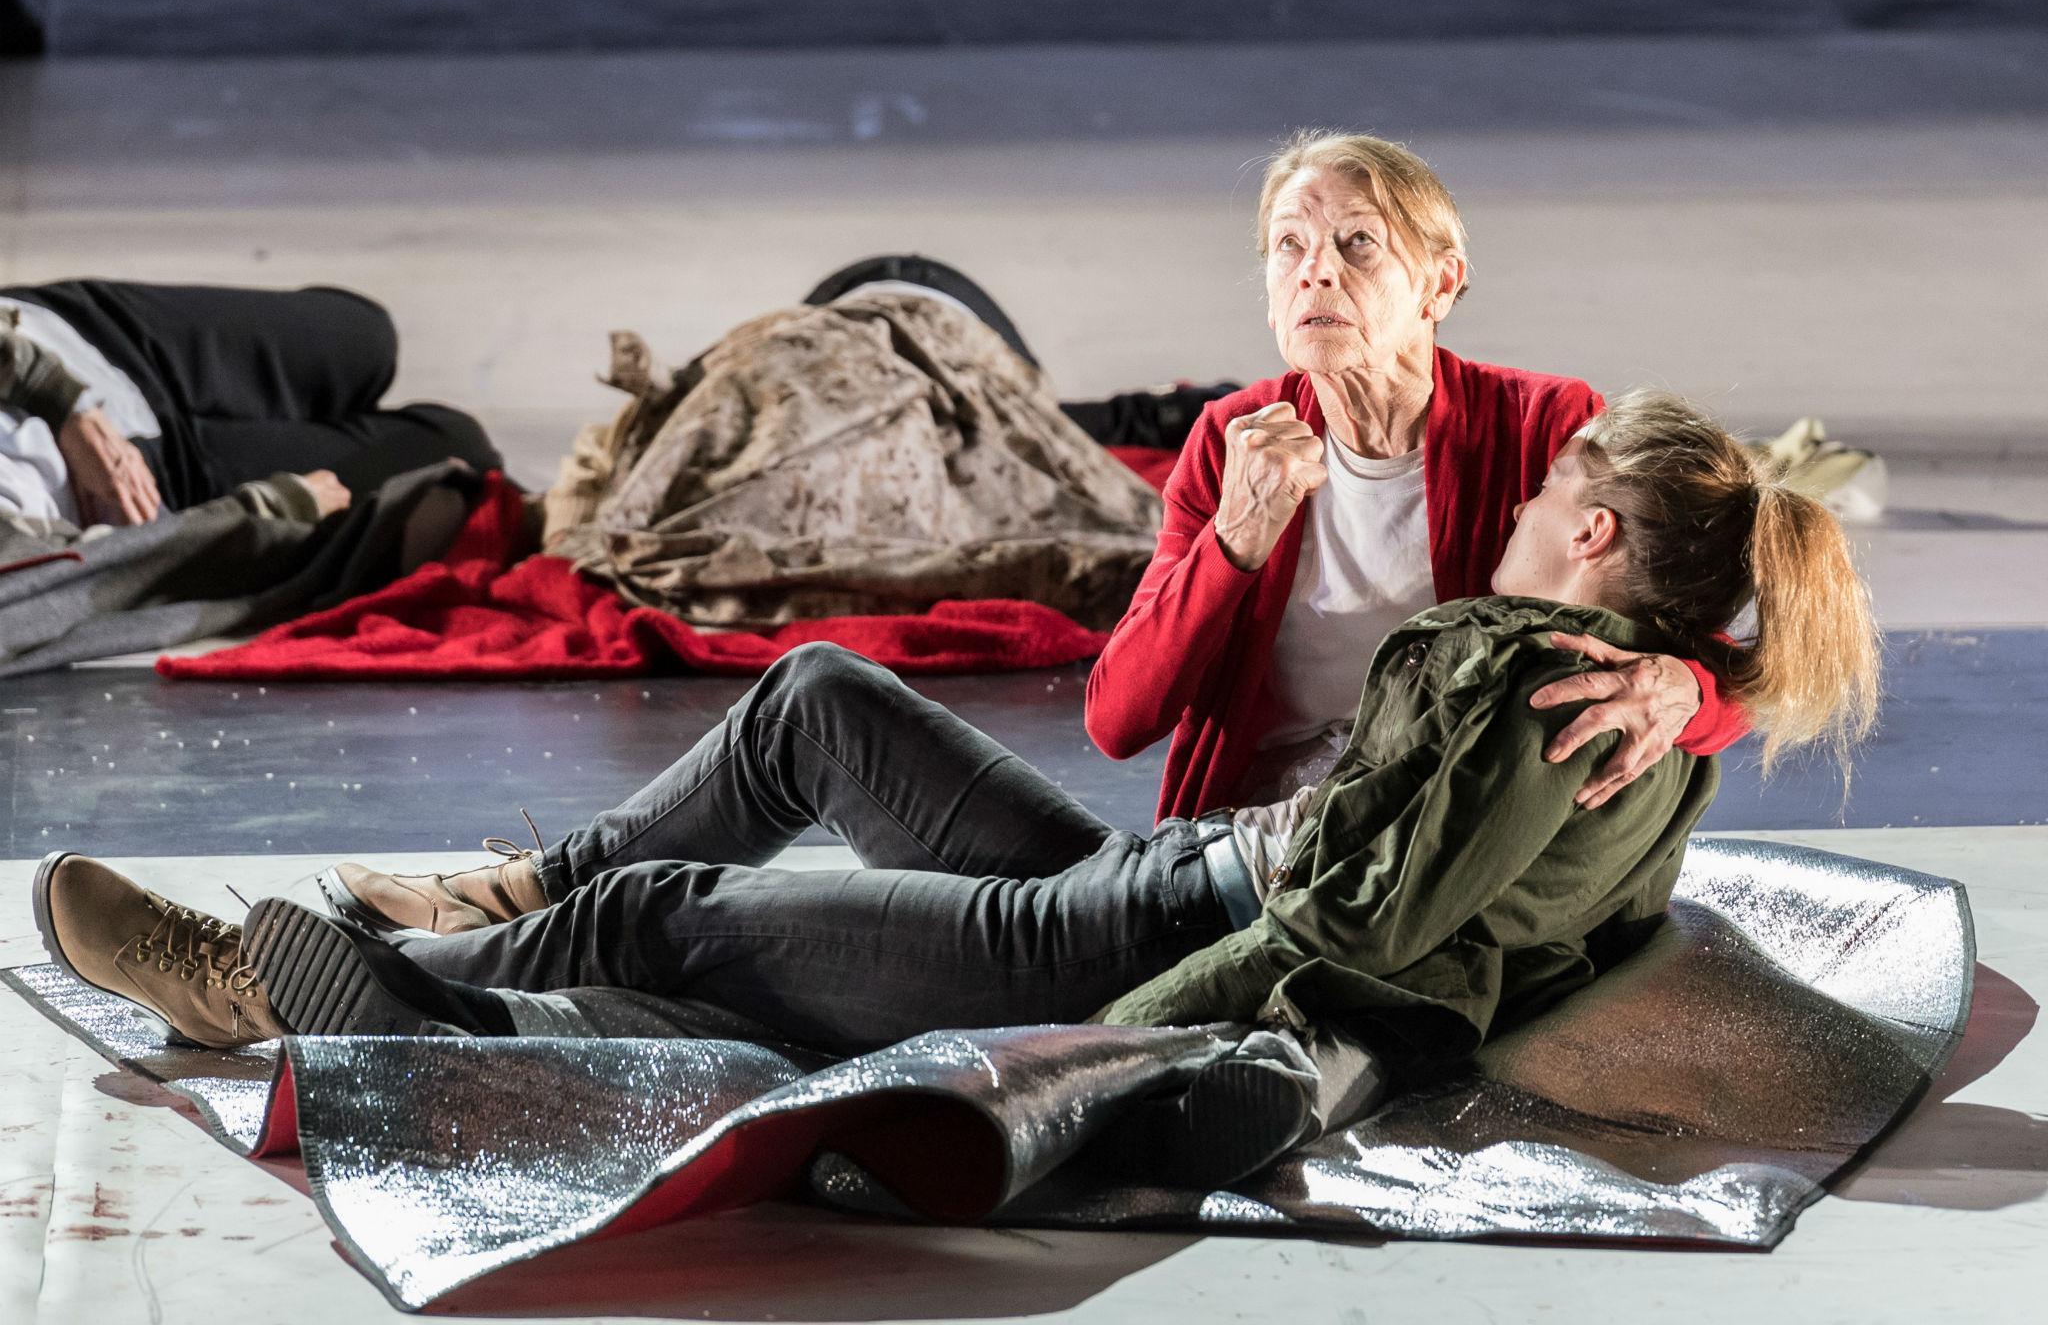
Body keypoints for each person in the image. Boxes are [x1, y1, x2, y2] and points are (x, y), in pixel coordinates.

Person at [32, 392, 1880, 1102]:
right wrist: (1699, 687)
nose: (1526, 489)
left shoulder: (1535, 678)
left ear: (1601, 537)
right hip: (1151, 874)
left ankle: (301, 996)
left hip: (1131, 943)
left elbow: (1366, 936)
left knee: (683, 923)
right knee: (820, 690)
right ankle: (522, 891)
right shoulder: (1639, 681)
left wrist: (1096, 1054)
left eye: (1559, 488)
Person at [1085, 131, 1750, 827]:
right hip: (1255, 835)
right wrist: (1235, 539)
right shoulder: (1237, 437)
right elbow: (1119, 720)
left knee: (1016, 924)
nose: (1316, 271)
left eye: (1358, 243)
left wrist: (1684, 688)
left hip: (1442, 836)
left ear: (1439, 284)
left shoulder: (1546, 428)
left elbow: (1727, 671)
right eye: (1289, 245)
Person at [1, 280, 499, 562]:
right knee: (457, 453)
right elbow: (74, 579)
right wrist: (262, 510)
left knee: (363, 337)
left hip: (81, 336)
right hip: (160, 494)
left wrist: (62, 400)